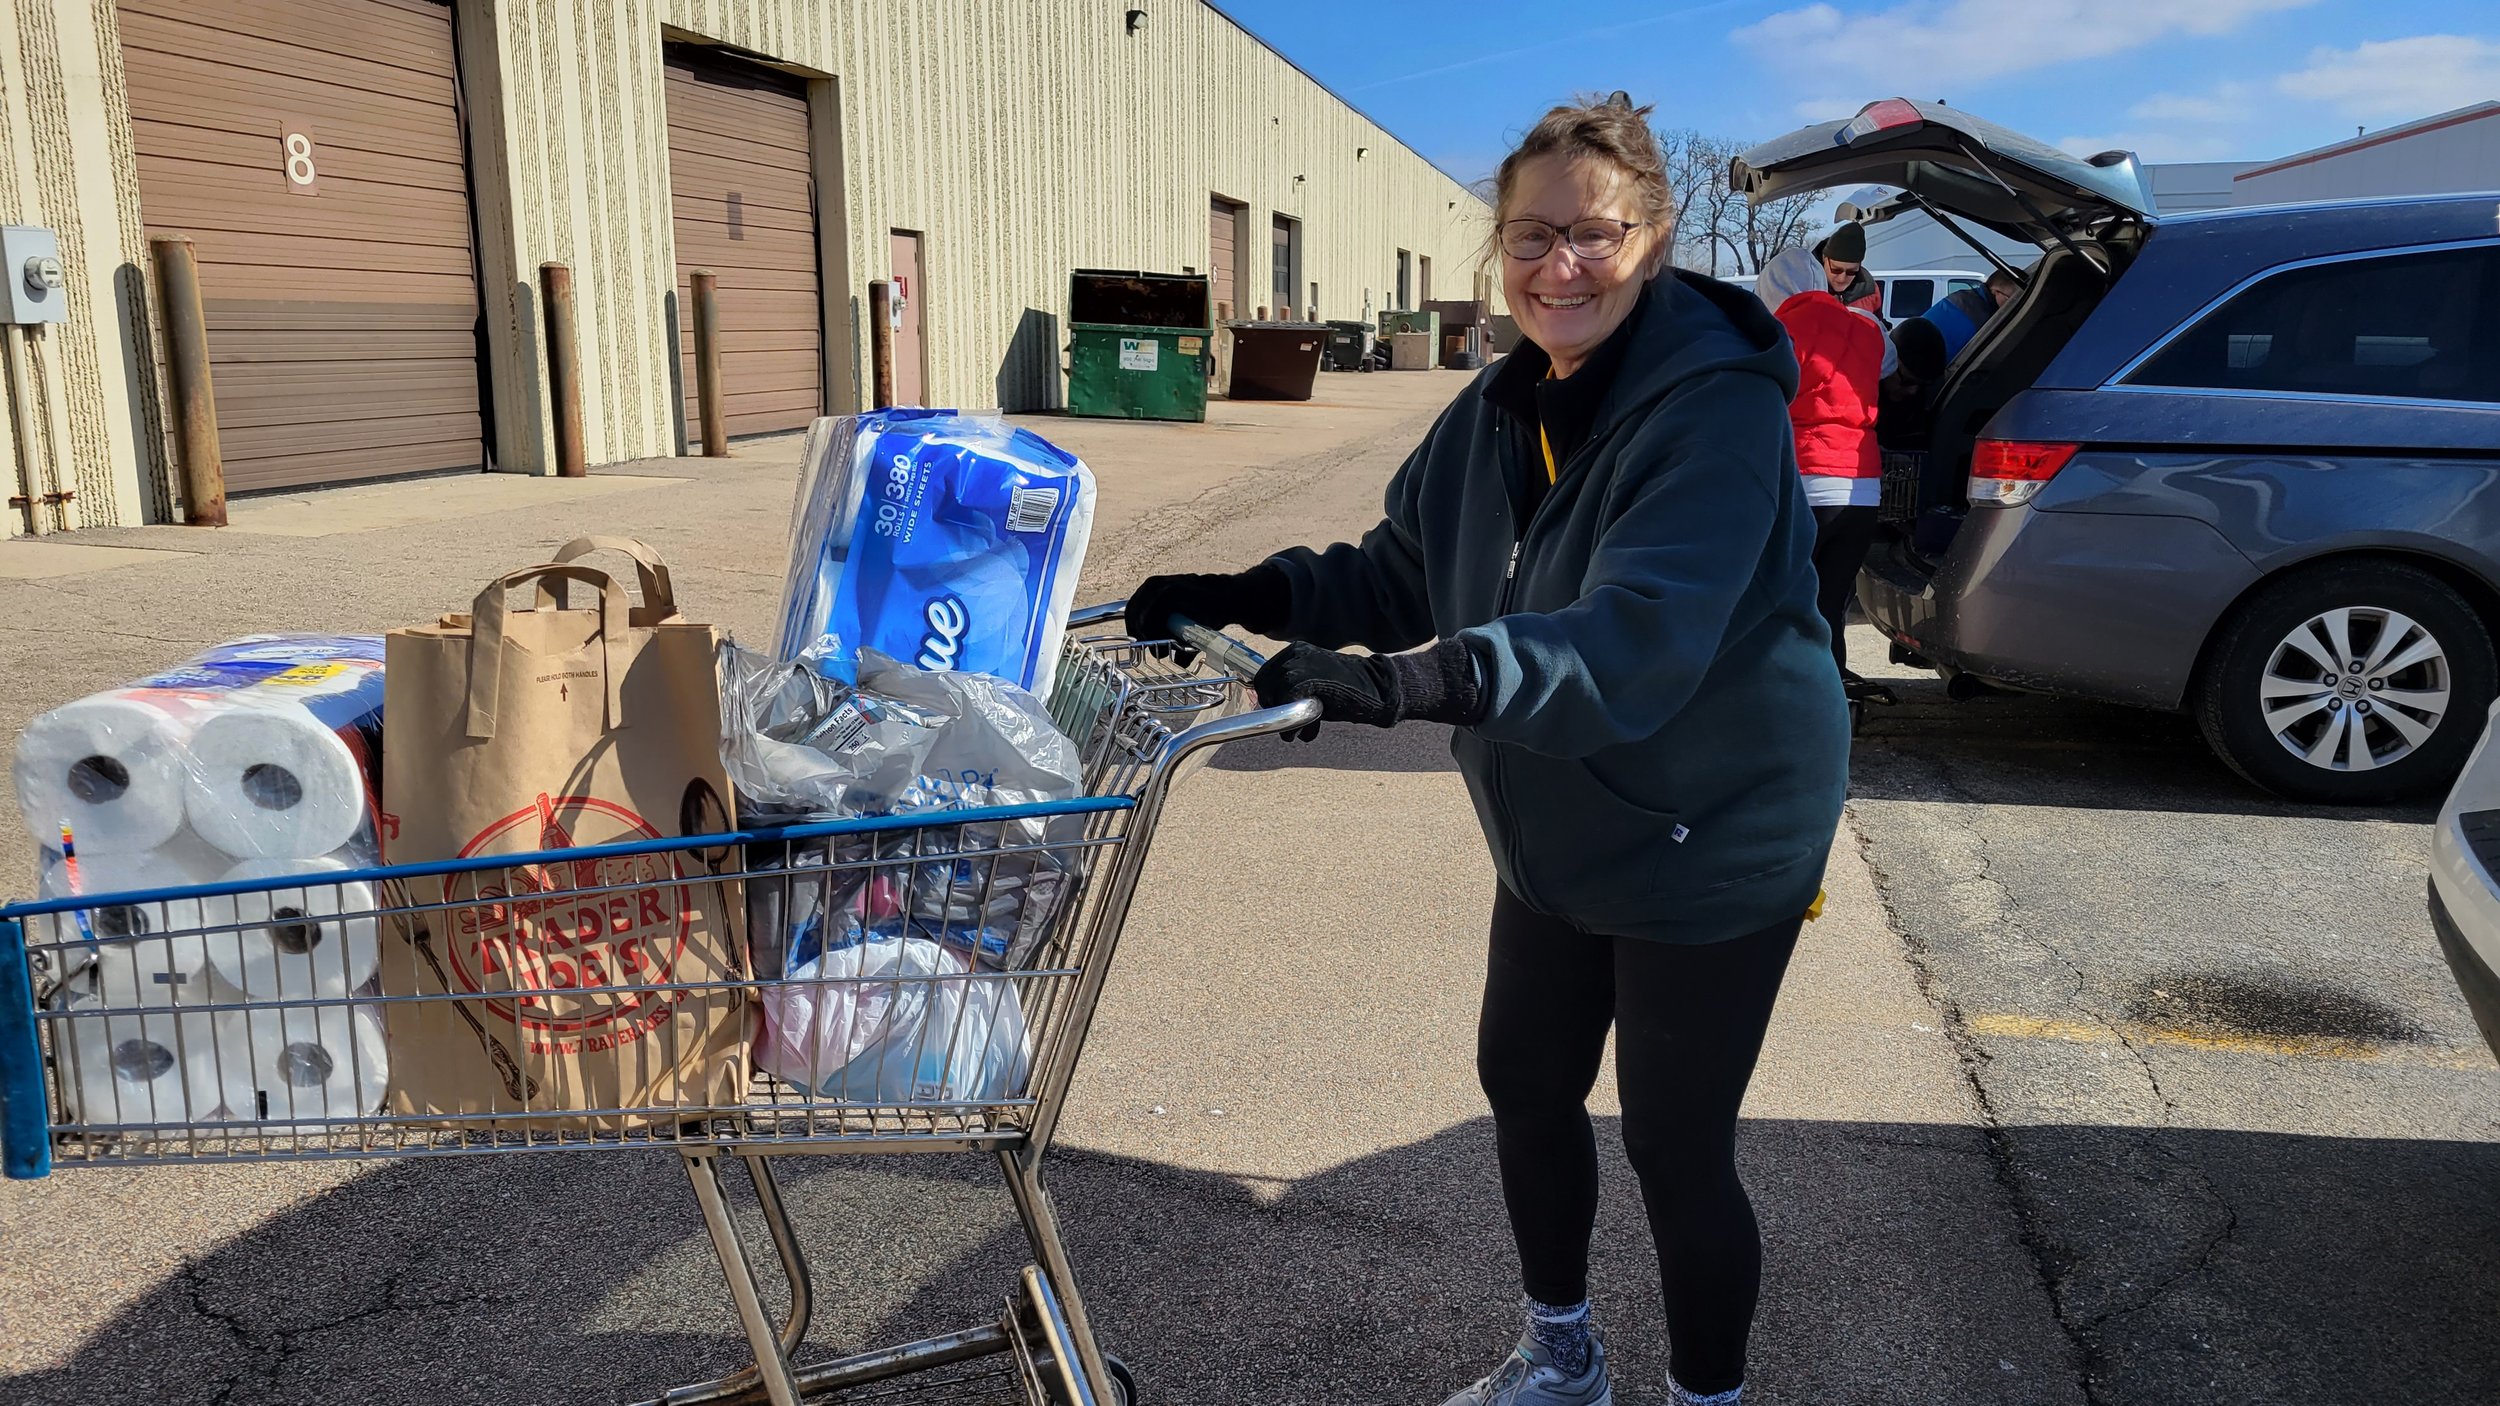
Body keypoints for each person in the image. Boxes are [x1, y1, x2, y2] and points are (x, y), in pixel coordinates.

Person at [1125, 92, 1848, 1406]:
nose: (1557, 266)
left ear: (1654, 237)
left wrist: (1399, 685)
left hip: (1712, 829)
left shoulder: (1716, 419)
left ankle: (1706, 1398)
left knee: (1678, 1147)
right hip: (1558, 821)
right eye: (1530, 235)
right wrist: (1248, 589)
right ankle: (1564, 1355)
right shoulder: (1504, 406)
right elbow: (1399, 568)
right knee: (1523, 1077)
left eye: (1592, 235)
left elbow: (1627, 645)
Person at [1754, 248, 1885, 695]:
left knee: (1786, 601)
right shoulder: (1868, 329)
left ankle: (1784, 697)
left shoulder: (1776, 333)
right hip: (1863, 488)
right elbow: (1890, 366)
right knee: (1831, 601)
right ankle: (1831, 695)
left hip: (1805, 483)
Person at [1919, 267, 2019, 362]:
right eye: (2012, 299)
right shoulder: (1984, 319)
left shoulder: (1960, 296)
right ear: (1995, 291)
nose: (2014, 304)